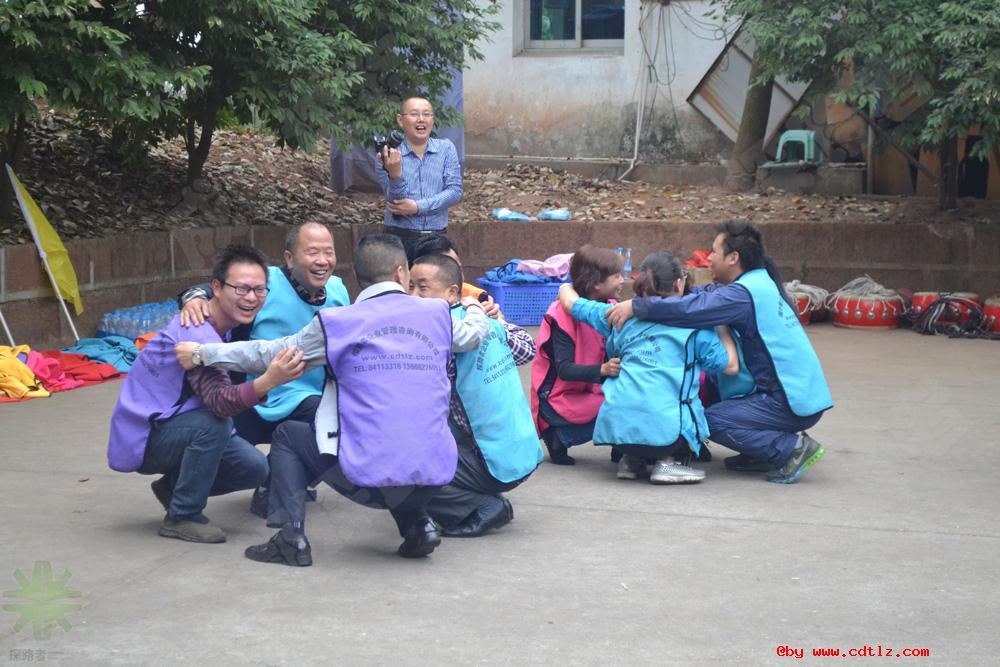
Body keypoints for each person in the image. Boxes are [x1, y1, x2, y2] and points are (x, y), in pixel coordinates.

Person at [174, 234, 491, 565]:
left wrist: (202, 353)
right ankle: (418, 525)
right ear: (402, 273)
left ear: (355, 275)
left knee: (289, 436)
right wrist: (473, 305)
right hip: (434, 475)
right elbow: (474, 333)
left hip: (367, 480)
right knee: (399, 426)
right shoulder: (438, 315)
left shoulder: (338, 324)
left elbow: (269, 354)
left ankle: (290, 538)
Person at [607, 221, 832, 484]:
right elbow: (703, 296)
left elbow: (692, 309)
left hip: (788, 402)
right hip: (793, 393)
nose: (709, 257)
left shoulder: (742, 295)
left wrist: (638, 306)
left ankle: (790, 448)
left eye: (714, 251)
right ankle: (758, 452)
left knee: (708, 420)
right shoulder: (755, 283)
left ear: (733, 258)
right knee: (707, 388)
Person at [107, 245, 306, 543]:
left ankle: (174, 489)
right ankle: (182, 515)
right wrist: (269, 381)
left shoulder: (229, 325)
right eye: (242, 289)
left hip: (179, 425)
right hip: (147, 437)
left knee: (253, 467)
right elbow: (219, 402)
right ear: (216, 287)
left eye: (259, 290)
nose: (251, 298)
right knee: (214, 424)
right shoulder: (197, 332)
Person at [178, 221, 351, 515]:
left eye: (329, 252)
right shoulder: (267, 282)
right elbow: (221, 287)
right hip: (257, 394)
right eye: (312, 252)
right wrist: (194, 296)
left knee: (341, 424)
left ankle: (277, 486)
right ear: (289, 258)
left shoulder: (337, 289)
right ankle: (175, 489)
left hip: (312, 394)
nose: (322, 260)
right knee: (219, 456)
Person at [557, 251, 739, 484]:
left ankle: (631, 461)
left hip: (619, 432)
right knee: (680, 400)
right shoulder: (696, 328)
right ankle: (667, 463)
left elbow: (571, 303)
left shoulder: (618, 315)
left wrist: (564, 286)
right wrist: (721, 325)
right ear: (679, 283)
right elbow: (730, 366)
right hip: (667, 436)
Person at [407, 254, 542, 536]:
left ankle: (481, 506)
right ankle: (478, 492)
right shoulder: (486, 320)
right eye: (410, 286)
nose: (413, 295)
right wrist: (495, 318)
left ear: (452, 292)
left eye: (423, 287)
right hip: (524, 453)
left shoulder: (440, 333)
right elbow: (527, 349)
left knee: (403, 466)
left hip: (491, 463)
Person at [531, 245, 623, 465]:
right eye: (616, 276)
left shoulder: (612, 307)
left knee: (631, 399)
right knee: (620, 407)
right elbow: (564, 369)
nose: (622, 280)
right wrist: (603, 370)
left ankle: (624, 449)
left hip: (590, 391)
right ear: (596, 283)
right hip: (557, 398)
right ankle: (559, 436)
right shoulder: (561, 315)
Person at [375, 97, 462, 254]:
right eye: (414, 114)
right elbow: (396, 204)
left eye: (427, 114)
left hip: (436, 238)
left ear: (432, 120)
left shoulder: (446, 149)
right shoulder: (387, 154)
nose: (421, 119)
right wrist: (395, 175)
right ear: (400, 120)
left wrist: (418, 207)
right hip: (398, 238)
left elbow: (455, 192)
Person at [407, 231, 502, 317]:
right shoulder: (402, 303)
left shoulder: (476, 298)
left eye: (458, 268)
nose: (456, 275)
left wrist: (496, 317)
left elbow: (499, 324)